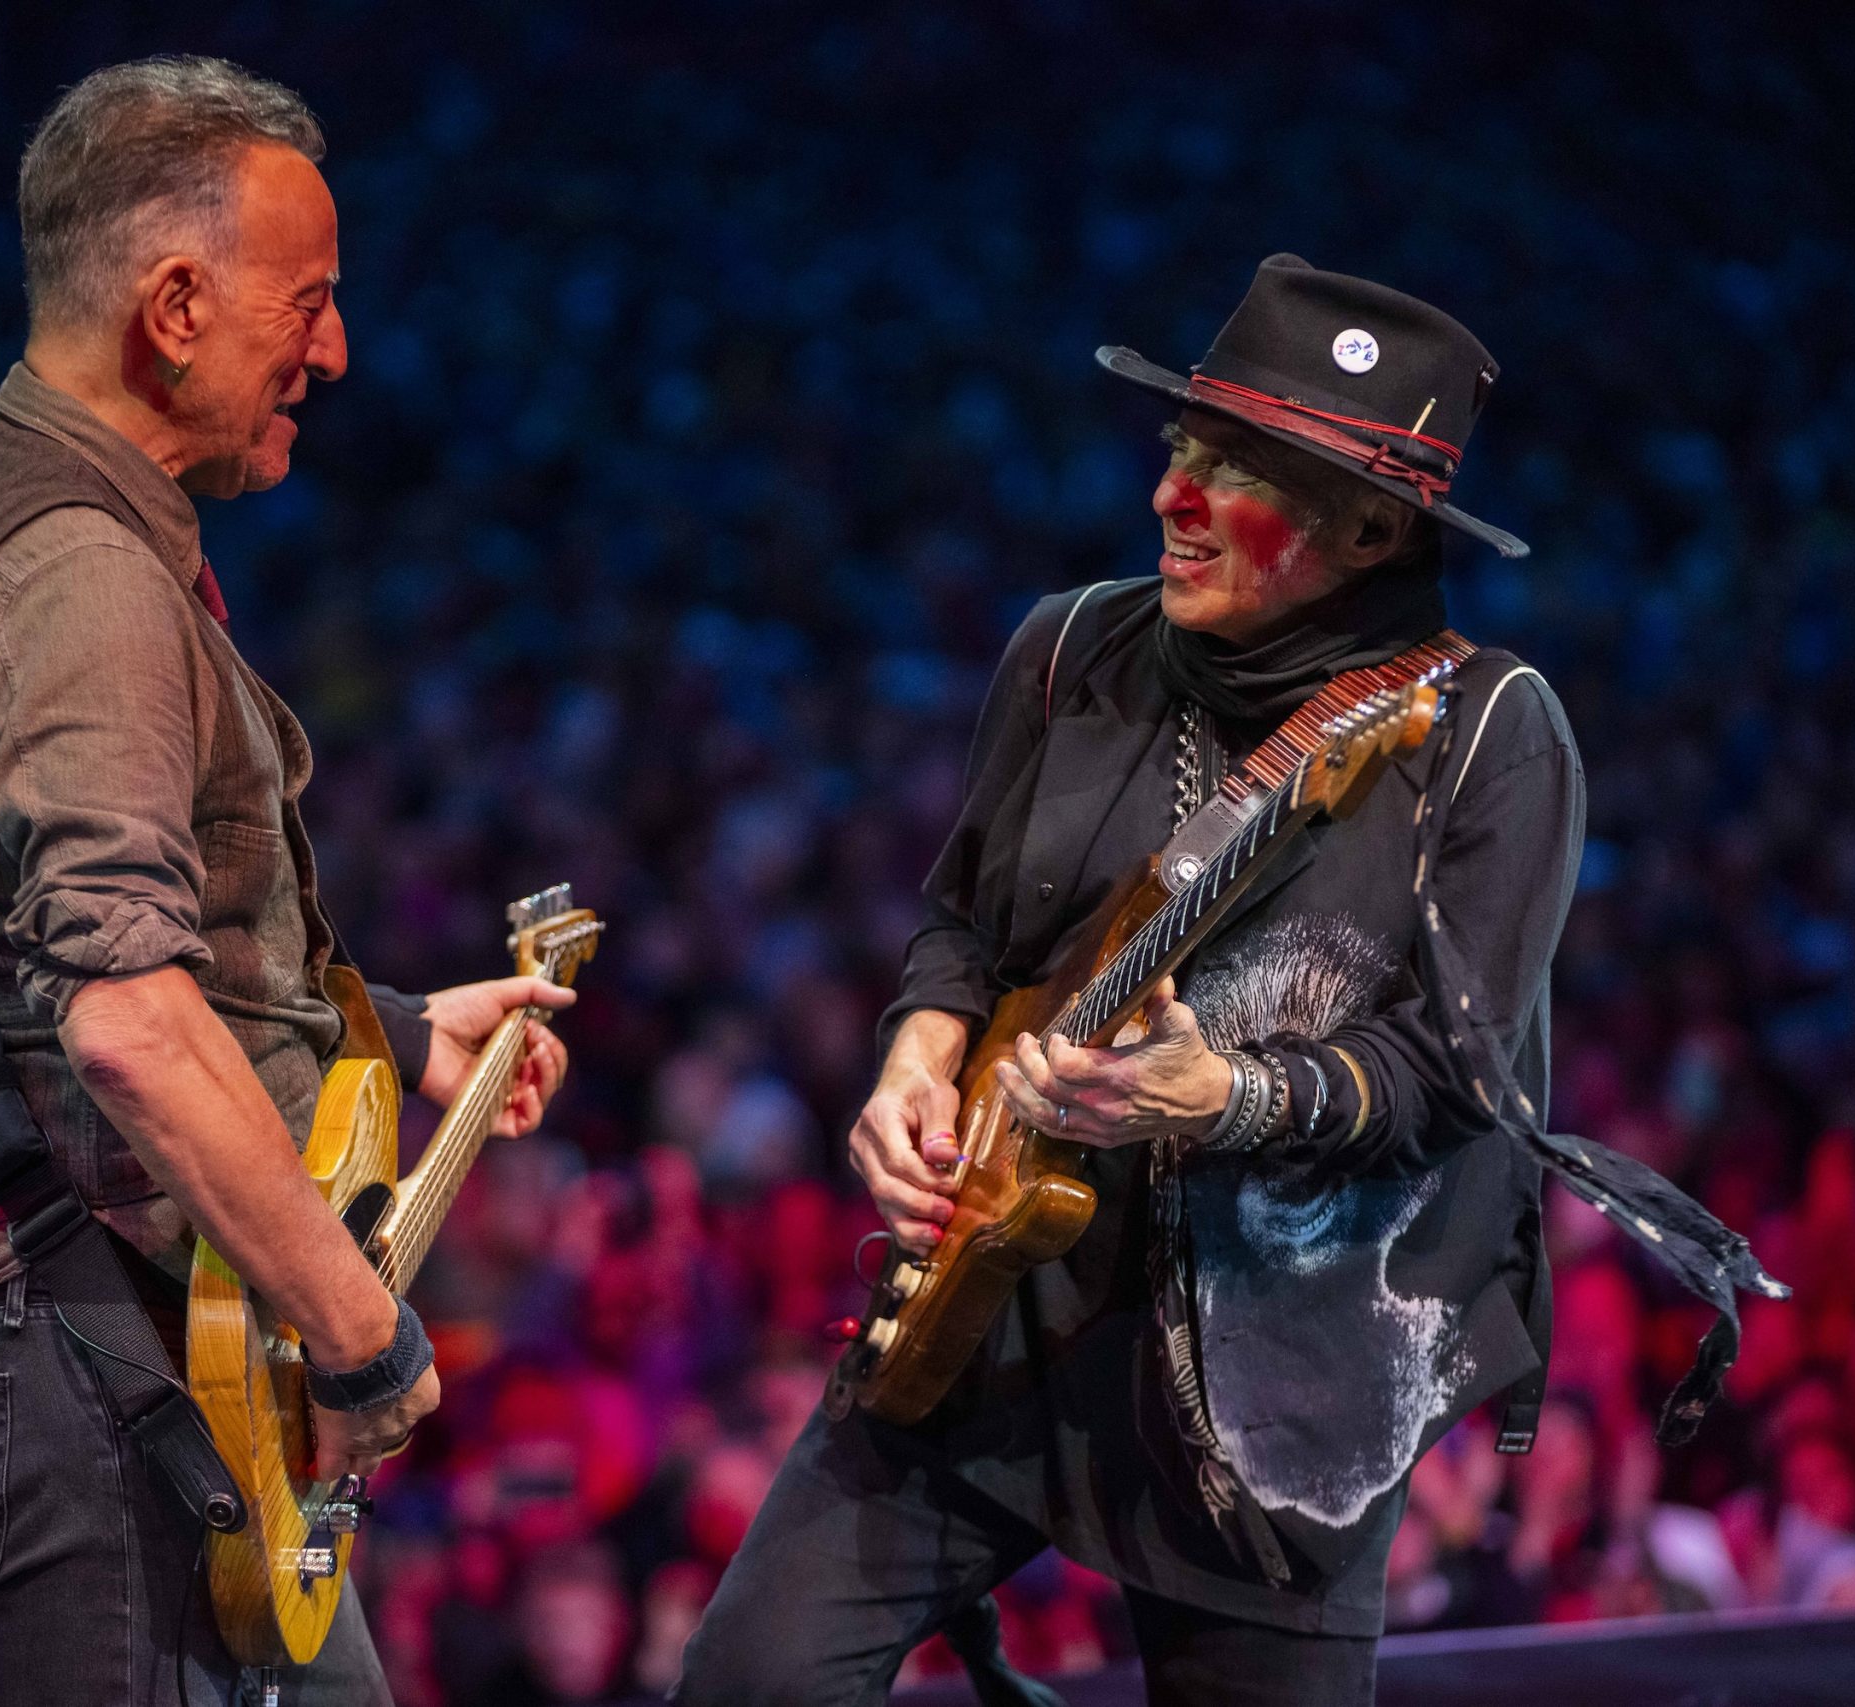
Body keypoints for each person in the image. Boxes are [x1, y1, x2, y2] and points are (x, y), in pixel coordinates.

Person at [682, 257, 1769, 1706]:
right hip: (999, 1314)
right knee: (749, 1684)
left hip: (1279, 1394)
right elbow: (964, 925)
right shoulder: (1068, 648)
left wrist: (1231, 1095)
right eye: (1180, 452)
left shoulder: (1491, 734)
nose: (1169, 502)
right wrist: (917, 1052)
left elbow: (1458, 1079)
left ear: (1376, 525)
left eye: (1234, 476)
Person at [0, 57, 569, 1706]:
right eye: (307, 303)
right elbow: (119, 1022)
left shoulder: (5, 499)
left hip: (131, 1347)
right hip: (91, 1358)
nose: (335, 349)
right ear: (175, 303)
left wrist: (389, 1026)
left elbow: (59, 951)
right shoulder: (77, 569)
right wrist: (364, 1335)